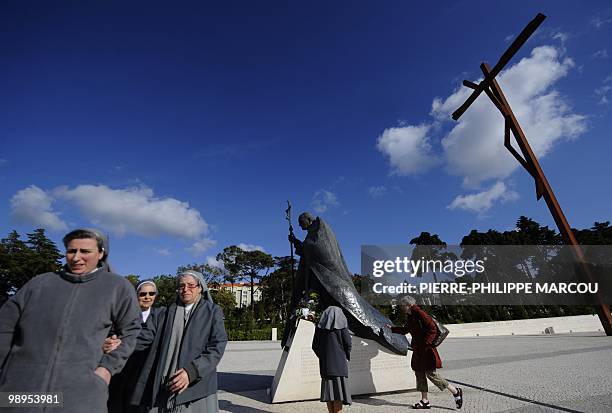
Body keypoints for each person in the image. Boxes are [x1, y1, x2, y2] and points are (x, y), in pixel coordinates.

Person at [0, 228, 142, 413]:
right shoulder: (39, 283)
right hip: (20, 392)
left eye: (85, 251)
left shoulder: (117, 287)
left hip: (80, 397)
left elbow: (132, 331)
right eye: (71, 251)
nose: (76, 257)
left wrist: (106, 369)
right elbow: (4, 326)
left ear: (101, 253)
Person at [284, 212, 408, 356]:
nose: (299, 225)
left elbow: (320, 250)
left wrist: (301, 244)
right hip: (320, 278)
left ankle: (388, 335)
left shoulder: (321, 229)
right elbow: (310, 250)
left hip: (331, 279)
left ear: (308, 219)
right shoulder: (312, 232)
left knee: (354, 312)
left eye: (301, 222)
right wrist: (297, 242)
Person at [128, 270, 227, 412]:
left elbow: (217, 346)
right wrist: (120, 342)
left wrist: (191, 371)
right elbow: (144, 338)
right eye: (181, 286)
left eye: (191, 285)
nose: (185, 289)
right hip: (167, 385)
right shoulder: (164, 313)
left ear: (200, 288)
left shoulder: (213, 312)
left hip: (196, 387)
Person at [390, 296, 463, 410]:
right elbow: (405, 330)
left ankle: (455, 391)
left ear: (408, 305)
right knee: (419, 373)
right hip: (418, 350)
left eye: (402, 305)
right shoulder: (410, 316)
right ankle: (425, 401)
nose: (401, 308)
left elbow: (433, 328)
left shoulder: (419, 313)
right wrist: (391, 329)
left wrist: (426, 343)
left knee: (431, 374)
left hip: (426, 350)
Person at [107, 281, 163, 413]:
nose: (147, 297)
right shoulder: (123, 313)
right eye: (143, 293)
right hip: (122, 368)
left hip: (145, 370)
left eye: (151, 293)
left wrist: (121, 342)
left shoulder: (161, 316)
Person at [312, 306, 352, 413]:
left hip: (325, 366)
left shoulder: (320, 328)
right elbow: (348, 343)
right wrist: (346, 356)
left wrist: (323, 357)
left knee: (329, 394)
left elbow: (315, 346)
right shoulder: (342, 327)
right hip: (339, 366)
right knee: (338, 394)